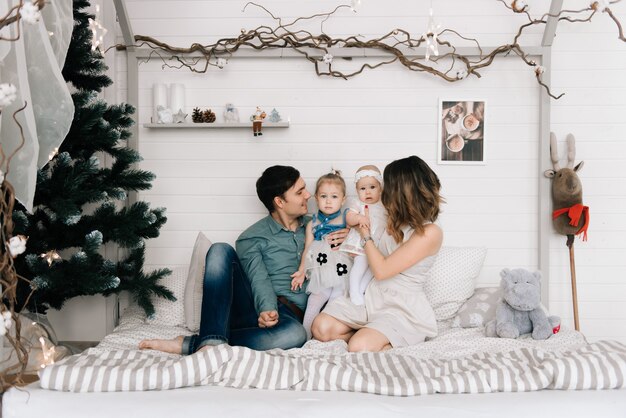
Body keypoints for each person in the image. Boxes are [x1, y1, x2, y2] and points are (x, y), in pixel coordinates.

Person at [139, 165, 348, 354]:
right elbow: (259, 278)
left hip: (291, 318)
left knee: (295, 335)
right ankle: (211, 341)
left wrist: (349, 236)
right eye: (300, 191)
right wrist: (267, 309)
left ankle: (197, 343)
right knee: (220, 250)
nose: (309, 195)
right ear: (280, 201)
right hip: (253, 309)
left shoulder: (320, 227)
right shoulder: (252, 237)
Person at [311, 155, 444, 353]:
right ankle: (371, 334)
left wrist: (364, 235)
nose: (384, 191)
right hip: (371, 297)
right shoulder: (391, 218)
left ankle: (378, 337)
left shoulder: (430, 232)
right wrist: (351, 233)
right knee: (321, 327)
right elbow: (368, 236)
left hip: (401, 307)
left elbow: (381, 270)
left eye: (388, 186)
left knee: (359, 346)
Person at [291, 170, 353, 339]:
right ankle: (304, 339)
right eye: (323, 196)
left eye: (334, 197)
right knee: (313, 304)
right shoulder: (312, 223)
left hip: (341, 271)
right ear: (316, 198)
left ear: (343, 200)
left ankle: (325, 338)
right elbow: (308, 249)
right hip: (321, 271)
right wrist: (302, 271)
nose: (328, 201)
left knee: (333, 306)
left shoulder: (346, 220)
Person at [339, 165, 387, 306]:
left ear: (380, 188)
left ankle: (361, 289)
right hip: (361, 244)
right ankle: (354, 291)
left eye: (372, 187)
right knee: (360, 265)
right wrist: (359, 218)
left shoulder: (385, 205)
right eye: (362, 189)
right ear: (357, 191)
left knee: (374, 269)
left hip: (377, 245)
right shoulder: (358, 204)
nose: (367, 192)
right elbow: (348, 217)